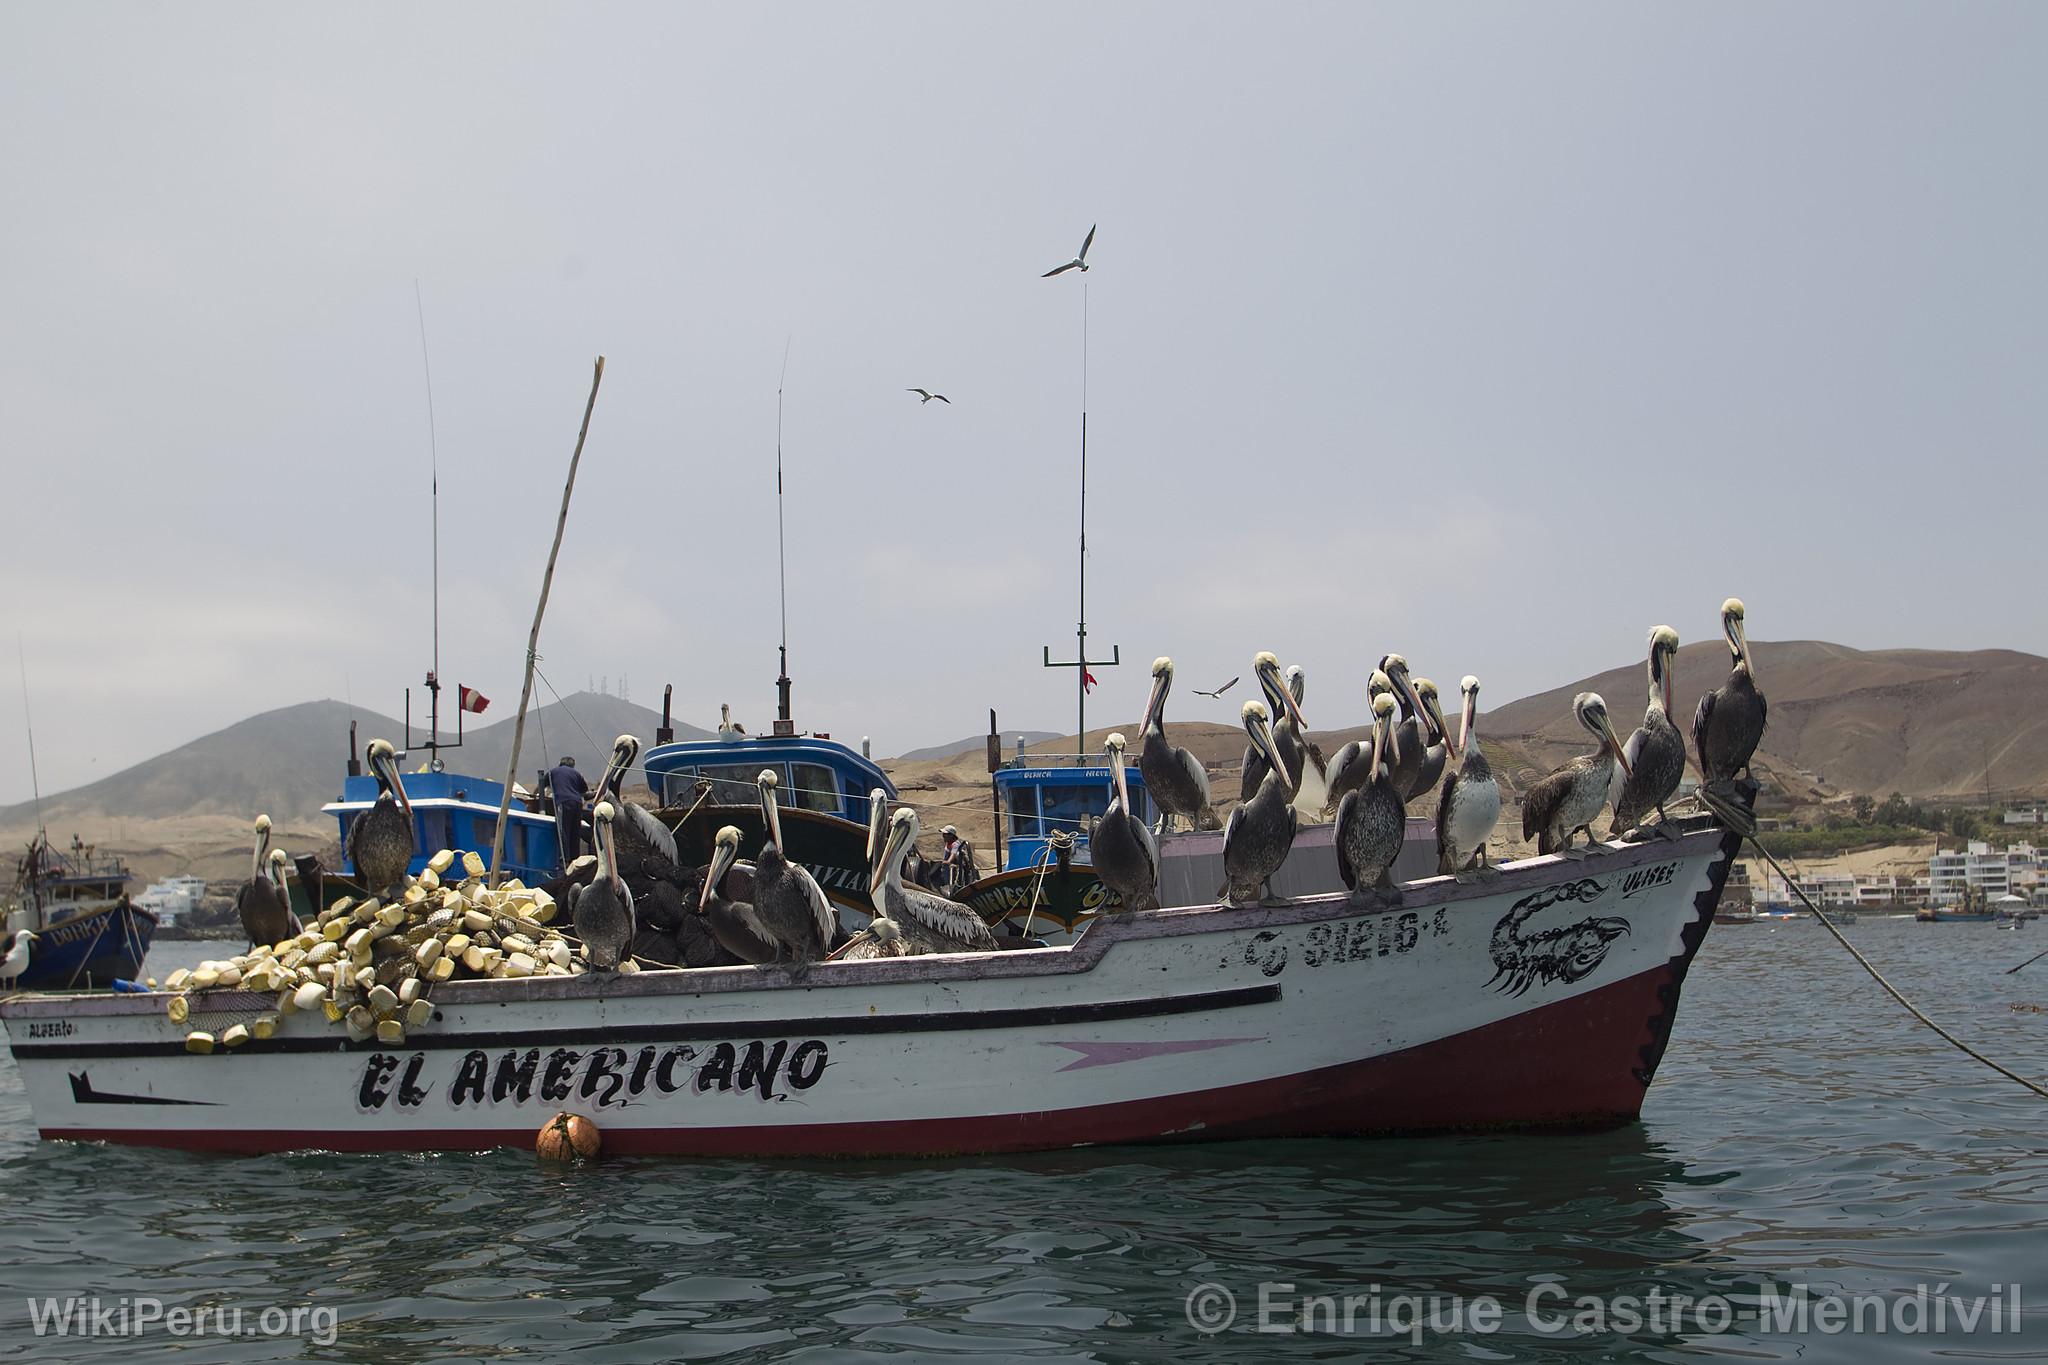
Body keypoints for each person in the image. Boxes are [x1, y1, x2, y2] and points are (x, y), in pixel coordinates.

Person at [548, 756, 591, 870]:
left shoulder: (554, 771)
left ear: (560, 763)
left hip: (563, 802)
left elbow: (542, 782)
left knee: (563, 830)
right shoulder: (576, 774)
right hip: (577, 803)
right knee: (575, 832)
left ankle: (564, 861)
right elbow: (584, 791)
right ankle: (575, 861)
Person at [938, 824, 976, 896]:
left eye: (945, 834)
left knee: (947, 867)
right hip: (953, 863)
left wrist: (948, 862)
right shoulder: (948, 844)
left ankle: (949, 886)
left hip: (961, 865)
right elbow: (946, 856)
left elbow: (953, 854)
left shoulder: (955, 844)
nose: (943, 836)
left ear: (951, 836)